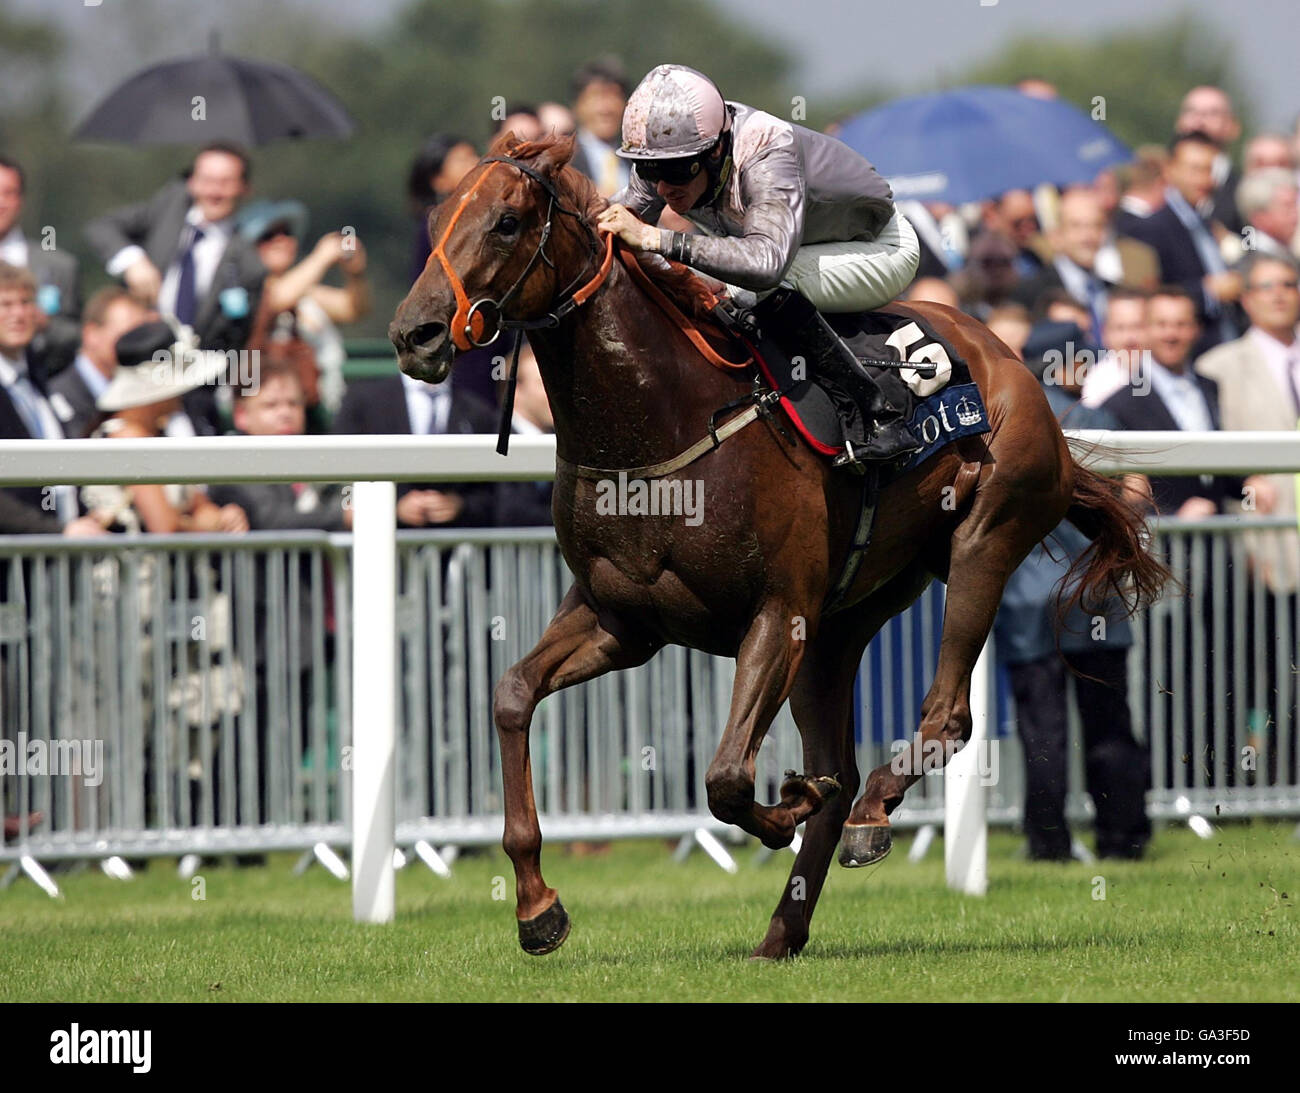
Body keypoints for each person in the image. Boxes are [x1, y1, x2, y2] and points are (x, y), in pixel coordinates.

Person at [597, 63, 921, 466]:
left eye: (677, 171)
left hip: (878, 248)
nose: (662, 186)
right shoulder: (670, 151)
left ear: (715, 150)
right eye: (648, 169)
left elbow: (766, 263)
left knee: (756, 287)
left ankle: (879, 417)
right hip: (789, 248)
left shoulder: (766, 147)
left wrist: (658, 239)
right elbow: (614, 226)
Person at [83, 142, 266, 434]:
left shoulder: (249, 263)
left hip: (193, 388)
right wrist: (133, 260)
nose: (214, 191)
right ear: (191, 182)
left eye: (225, 182)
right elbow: (102, 228)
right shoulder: (167, 208)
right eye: (206, 180)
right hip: (132, 376)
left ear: (244, 188)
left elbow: (238, 343)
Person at [81, 320, 248, 535]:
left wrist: (221, 518)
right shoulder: (128, 439)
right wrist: (209, 525)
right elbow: (164, 527)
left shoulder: (154, 434)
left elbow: (199, 505)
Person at [238, 200, 369, 422]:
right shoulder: (239, 290)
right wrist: (322, 256)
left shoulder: (306, 292)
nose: (282, 240)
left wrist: (355, 274)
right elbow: (275, 299)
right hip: (264, 416)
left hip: (316, 408)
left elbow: (354, 309)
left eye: (287, 233)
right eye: (268, 235)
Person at [0, 155, 81, 375]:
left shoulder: (59, 266)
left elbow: (78, 335)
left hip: (42, 380)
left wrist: (45, 325)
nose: (1, 203)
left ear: (22, 199)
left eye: (9, 193)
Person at [47, 286, 150, 440]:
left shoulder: (142, 396)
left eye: (142, 337)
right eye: (128, 335)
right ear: (91, 334)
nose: (138, 345)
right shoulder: (55, 398)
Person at [407, 134, 480, 282]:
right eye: (463, 160)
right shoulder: (434, 226)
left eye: (474, 155)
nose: (476, 162)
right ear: (439, 180)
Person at [567, 56, 631, 198]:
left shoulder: (639, 160)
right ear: (577, 106)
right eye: (596, 97)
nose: (606, 109)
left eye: (614, 97)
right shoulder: (564, 160)